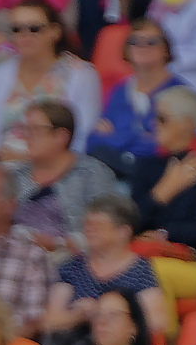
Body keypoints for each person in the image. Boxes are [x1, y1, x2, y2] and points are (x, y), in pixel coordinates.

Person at [0, 0, 98, 160]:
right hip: (2, 168)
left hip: (57, 170)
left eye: (34, 29)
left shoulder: (81, 75)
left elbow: (81, 140)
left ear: (55, 32)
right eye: (17, 29)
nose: (25, 35)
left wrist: (30, 159)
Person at [129, 86, 196, 277]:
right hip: (147, 255)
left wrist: (163, 234)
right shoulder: (146, 166)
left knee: (146, 275)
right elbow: (131, 222)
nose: (154, 124)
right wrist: (162, 193)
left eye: (162, 118)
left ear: (187, 124)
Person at [46, 193, 170, 338]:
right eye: (87, 224)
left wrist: (102, 313)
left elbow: (158, 323)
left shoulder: (140, 272)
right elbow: (48, 323)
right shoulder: (72, 268)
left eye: (97, 226)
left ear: (123, 232)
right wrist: (78, 316)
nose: (89, 230)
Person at [8, 100, 117, 251]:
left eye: (35, 130)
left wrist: (57, 244)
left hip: (72, 263)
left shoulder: (92, 174)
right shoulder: (14, 175)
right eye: (25, 129)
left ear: (61, 136)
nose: (26, 137)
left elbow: (108, 231)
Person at [85, 18, 188, 179]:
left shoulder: (179, 92)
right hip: (112, 171)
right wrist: (138, 137)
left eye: (152, 42)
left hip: (158, 175)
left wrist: (114, 137)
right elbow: (94, 140)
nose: (142, 46)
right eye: (134, 41)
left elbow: (161, 147)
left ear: (166, 50)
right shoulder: (119, 90)